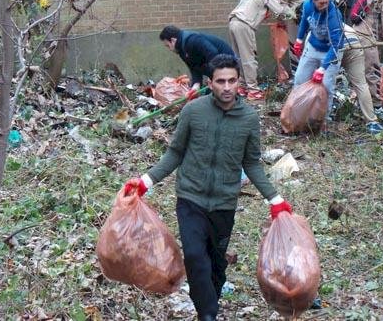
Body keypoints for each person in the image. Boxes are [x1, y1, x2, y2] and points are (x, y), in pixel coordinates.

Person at [123, 54, 293, 321]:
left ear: (239, 82)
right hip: (190, 198)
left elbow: (252, 164)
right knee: (193, 254)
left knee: (215, 264)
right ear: (210, 83)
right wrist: (145, 181)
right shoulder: (193, 111)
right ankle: (208, 314)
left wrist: (276, 199)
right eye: (220, 81)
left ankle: (208, 301)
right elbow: (175, 152)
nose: (226, 87)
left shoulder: (248, 118)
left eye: (232, 81)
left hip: (224, 203)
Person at [228, 0, 296, 100]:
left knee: (240, 57)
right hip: (244, 24)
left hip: (234, 22)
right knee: (249, 58)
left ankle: (242, 86)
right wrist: (294, 13)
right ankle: (253, 91)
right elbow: (281, 10)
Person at [291, 0, 345, 119]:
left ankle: (323, 119)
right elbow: (304, 21)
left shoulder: (334, 15)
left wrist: (322, 69)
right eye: (321, 3)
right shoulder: (307, 5)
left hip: (331, 52)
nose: (325, 5)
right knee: (299, 79)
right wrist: (299, 39)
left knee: (326, 86)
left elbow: (336, 45)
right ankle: (297, 114)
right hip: (313, 46)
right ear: (313, 0)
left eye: (327, 2)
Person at [159, 25, 236, 101]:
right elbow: (194, 67)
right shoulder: (181, 50)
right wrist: (196, 84)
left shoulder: (193, 40)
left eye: (167, 46)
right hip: (213, 66)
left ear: (172, 41)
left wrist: (213, 77)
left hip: (227, 62)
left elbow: (213, 54)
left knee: (212, 96)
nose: (169, 49)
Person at [341, 24, 383, 134]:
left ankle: (323, 122)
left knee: (327, 83)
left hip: (338, 43)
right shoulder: (335, 17)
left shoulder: (313, 27)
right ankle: (372, 122)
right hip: (354, 41)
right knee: (361, 84)